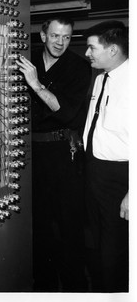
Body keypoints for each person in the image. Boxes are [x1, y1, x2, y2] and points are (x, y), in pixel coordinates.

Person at [16, 16, 92, 291]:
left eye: (67, 37)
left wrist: (36, 84)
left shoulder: (78, 67)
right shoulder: (27, 60)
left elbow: (68, 112)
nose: (61, 42)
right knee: (38, 226)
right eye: (56, 36)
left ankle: (76, 288)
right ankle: (44, 287)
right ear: (43, 35)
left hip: (63, 153)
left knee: (70, 225)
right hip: (30, 152)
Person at [82, 20, 129, 292]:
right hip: (94, 173)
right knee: (96, 247)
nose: (87, 53)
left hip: (121, 178)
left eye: (92, 48)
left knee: (114, 254)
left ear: (112, 49)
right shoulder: (101, 79)